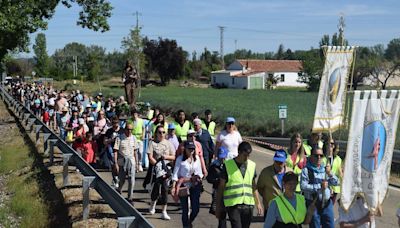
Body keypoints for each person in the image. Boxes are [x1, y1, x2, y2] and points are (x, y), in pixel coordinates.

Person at [216, 142, 263, 228]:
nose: (247, 157)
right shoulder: (228, 165)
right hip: (233, 204)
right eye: (245, 155)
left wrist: (258, 203)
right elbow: (221, 187)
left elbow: (253, 186)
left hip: (248, 204)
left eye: (249, 155)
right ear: (239, 152)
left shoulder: (252, 165)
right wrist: (218, 206)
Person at [300, 146, 339, 228]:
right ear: (311, 156)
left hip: (327, 204)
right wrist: (319, 186)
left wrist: (330, 173)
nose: (319, 157)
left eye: (321, 155)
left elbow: (336, 182)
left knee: (330, 225)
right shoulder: (306, 170)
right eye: (316, 155)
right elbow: (303, 186)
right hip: (313, 204)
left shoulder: (326, 170)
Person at [171, 141, 204, 228]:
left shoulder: (196, 159)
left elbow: (200, 173)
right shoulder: (180, 159)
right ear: (185, 149)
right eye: (189, 149)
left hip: (195, 185)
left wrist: (198, 177)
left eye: (193, 149)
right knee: (185, 210)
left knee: (196, 209)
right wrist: (174, 187)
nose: (191, 151)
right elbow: (175, 174)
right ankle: (185, 226)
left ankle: (189, 221)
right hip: (183, 185)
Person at [147, 125, 176, 220]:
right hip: (155, 169)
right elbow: (150, 156)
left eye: (163, 132)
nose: (161, 134)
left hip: (165, 169)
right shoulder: (152, 143)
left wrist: (166, 158)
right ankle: (152, 204)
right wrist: (156, 165)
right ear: (156, 133)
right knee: (155, 188)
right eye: (159, 132)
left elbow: (173, 156)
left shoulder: (168, 143)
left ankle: (164, 211)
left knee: (164, 189)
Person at [257, 150, 293, 218]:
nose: (278, 164)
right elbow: (260, 188)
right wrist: (267, 197)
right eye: (276, 162)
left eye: (281, 162)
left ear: (285, 162)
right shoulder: (265, 172)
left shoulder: (290, 172)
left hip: (287, 209)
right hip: (271, 209)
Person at [113, 123, 138, 204]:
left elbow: (135, 151)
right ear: (125, 129)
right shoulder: (119, 138)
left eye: (131, 129)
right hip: (122, 160)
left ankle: (130, 197)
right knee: (122, 179)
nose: (129, 131)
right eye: (128, 129)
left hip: (131, 160)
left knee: (132, 180)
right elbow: (116, 151)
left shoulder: (134, 138)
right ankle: (119, 189)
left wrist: (137, 164)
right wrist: (116, 163)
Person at [207, 146, 229, 228]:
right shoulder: (213, 165)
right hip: (218, 191)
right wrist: (217, 180)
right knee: (221, 213)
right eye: (220, 157)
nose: (222, 159)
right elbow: (209, 178)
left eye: (224, 157)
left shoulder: (230, 165)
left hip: (229, 191)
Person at [103, 117, 124, 187]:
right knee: (114, 165)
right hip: (111, 149)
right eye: (113, 123)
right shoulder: (109, 131)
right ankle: (115, 179)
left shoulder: (122, 131)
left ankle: (118, 177)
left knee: (119, 166)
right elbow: (104, 142)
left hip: (120, 150)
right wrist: (111, 140)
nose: (115, 124)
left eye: (116, 123)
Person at [322, 136, 342, 204]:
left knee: (330, 208)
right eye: (328, 143)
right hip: (324, 188)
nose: (330, 145)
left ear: (334, 146)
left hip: (335, 188)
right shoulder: (321, 158)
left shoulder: (338, 159)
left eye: (332, 143)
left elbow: (340, 175)